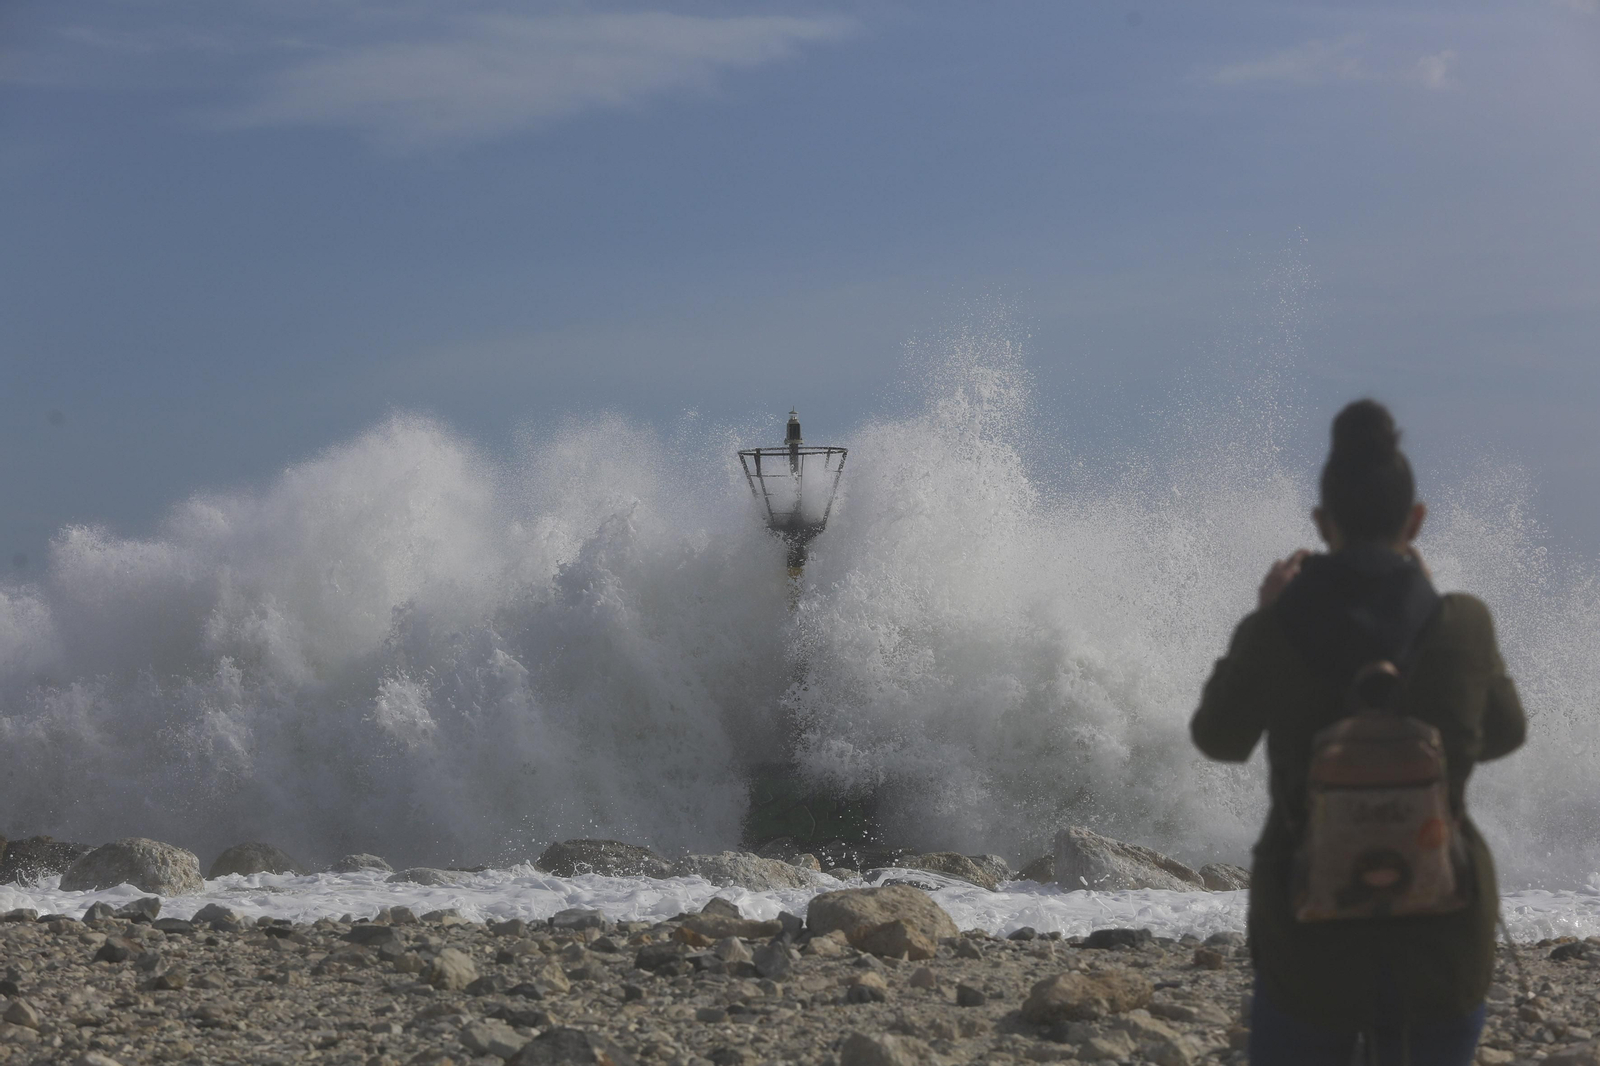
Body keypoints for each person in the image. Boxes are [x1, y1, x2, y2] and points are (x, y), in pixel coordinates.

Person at [1191, 399, 1526, 1066]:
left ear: (1321, 524)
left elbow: (1218, 739)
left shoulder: (1277, 630)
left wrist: (1260, 619)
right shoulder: (1464, 624)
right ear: (1417, 521)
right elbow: (1505, 734)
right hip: (1444, 942)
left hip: (1307, 942)